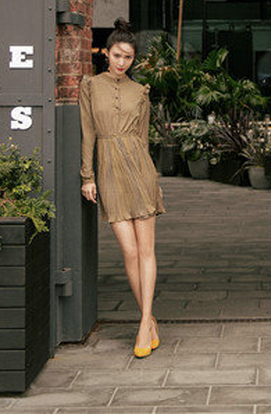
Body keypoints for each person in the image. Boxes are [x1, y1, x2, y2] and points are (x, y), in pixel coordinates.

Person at [79, 18, 165, 358]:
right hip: (109, 172)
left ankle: (144, 323)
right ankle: (150, 319)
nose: (121, 62)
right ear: (107, 53)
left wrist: (155, 179)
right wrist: (88, 176)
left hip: (141, 173)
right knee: (129, 251)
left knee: (146, 251)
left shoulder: (140, 92)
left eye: (128, 57)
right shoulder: (90, 86)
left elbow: (143, 139)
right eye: (117, 55)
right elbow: (88, 132)